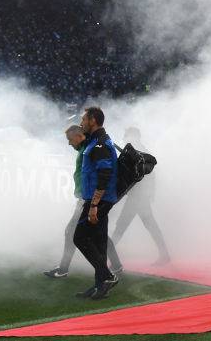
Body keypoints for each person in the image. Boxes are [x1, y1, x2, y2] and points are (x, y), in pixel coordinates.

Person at [44, 124, 122, 279]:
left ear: (79, 136)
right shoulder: (85, 148)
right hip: (87, 199)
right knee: (99, 234)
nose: (68, 143)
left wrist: (92, 201)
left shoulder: (91, 147)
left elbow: (102, 172)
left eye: (70, 139)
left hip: (89, 200)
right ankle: (117, 266)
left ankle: (64, 269)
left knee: (71, 232)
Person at [72, 106, 120, 299]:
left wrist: (93, 205)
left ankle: (108, 276)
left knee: (79, 237)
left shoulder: (100, 143)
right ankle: (100, 286)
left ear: (93, 120)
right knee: (99, 243)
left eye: (84, 119)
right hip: (99, 200)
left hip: (98, 201)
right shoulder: (97, 141)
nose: (81, 122)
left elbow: (105, 173)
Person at [111, 127, 171, 265]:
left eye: (127, 136)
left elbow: (149, 174)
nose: (125, 138)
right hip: (139, 196)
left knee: (121, 226)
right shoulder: (137, 150)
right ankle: (165, 254)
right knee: (148, 225)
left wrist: (148, 193)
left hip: (138, 197)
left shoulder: (137, 151)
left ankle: (107, 255)